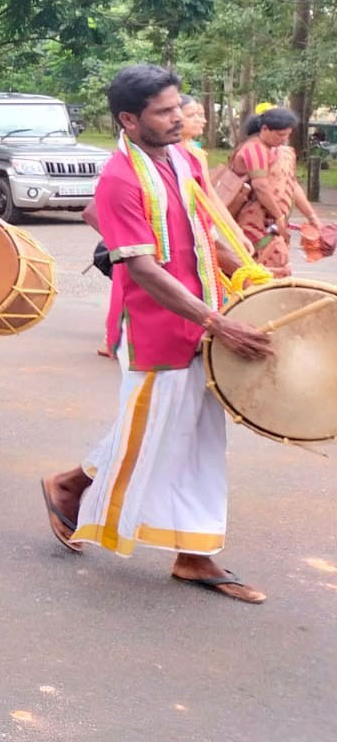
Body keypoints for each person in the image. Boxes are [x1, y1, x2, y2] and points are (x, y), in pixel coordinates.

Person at [41, 65, 273, 604]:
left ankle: (193, 554)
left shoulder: (183, 160)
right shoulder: (121, 177)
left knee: (195, 437)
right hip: (157, 328)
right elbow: (143, 268)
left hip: (202, 315)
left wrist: (249, 278)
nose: (178, 118)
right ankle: (70, 485)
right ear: (129, 119)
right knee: (150, 431)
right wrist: (218, 323)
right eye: (164, 112)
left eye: (178, 107)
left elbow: (200, 237)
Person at [229, 108, 323, 275]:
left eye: (287, 134)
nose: (284, 139)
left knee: (279, 267)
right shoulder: (253, 149)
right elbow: (261, 186)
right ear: (264, 129)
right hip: (253, 224)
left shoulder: (284, 153)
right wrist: (279, 217)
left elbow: (292, 185)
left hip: (275, 225)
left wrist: (312, 216)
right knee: (259, 273)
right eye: (280, 135)